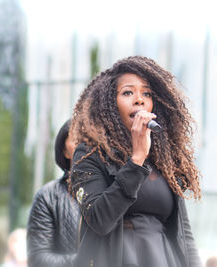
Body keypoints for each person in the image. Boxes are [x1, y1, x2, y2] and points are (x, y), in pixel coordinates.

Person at [70, 56, 202, 267]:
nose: (139, 100)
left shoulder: (163, 160)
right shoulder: (90, 155)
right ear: (109, 105)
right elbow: (99, 219)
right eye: (128, 92)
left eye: (146, 93)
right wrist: (136, 160)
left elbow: (184, 233)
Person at [27, 120, 80, 267]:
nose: (84, 145)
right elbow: (38, 258)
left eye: (89, 139)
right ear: (64, 150)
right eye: (77, 139)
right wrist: (86, 260)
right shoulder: (48, 196)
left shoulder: (115, 188)